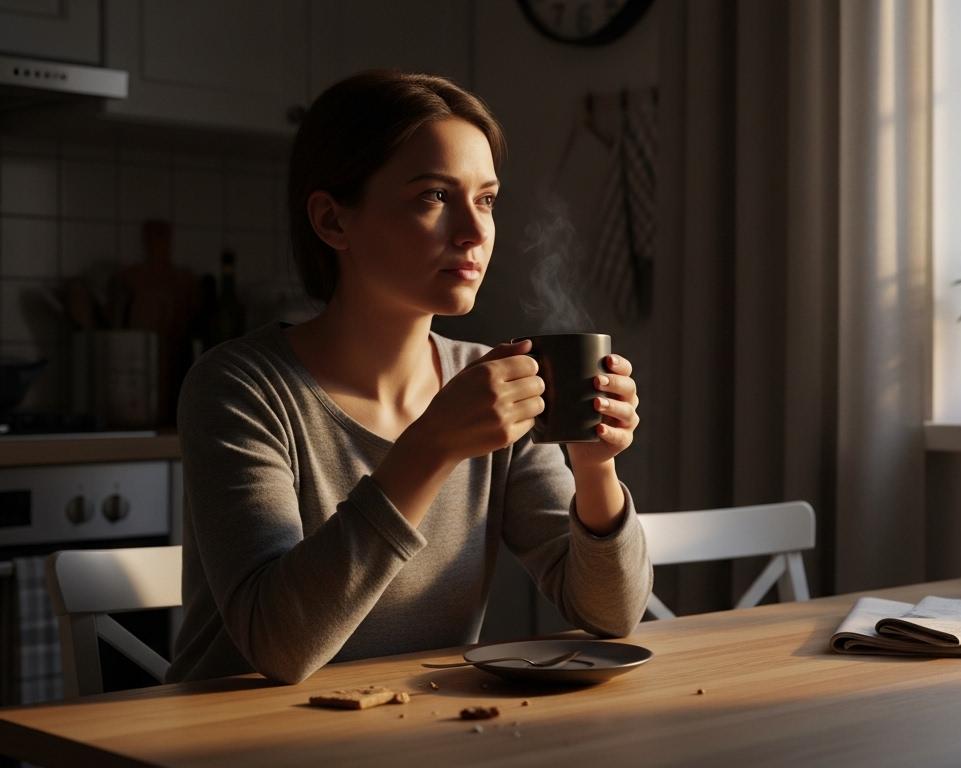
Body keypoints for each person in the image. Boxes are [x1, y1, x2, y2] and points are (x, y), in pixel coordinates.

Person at [166, 71, 651, 684]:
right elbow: (279, 646)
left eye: (486, 200)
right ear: (333, 221)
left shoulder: (488, 384)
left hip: (416, 725)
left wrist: (595, 467)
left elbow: (611, 614)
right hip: (238, 730)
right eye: (435, 196)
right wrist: (431, 447)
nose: (474, 232)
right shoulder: (240, 388)